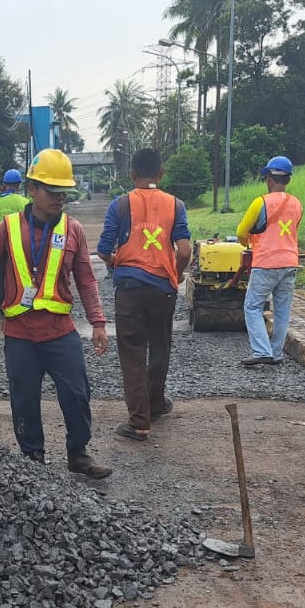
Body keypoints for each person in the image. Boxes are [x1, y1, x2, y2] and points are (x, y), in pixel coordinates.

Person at [0, 148, 112, 479]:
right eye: (52, 191)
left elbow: (86, 279)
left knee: (76, 394)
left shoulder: (73, 230)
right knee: (24, 399)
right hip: (20, 336)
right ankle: (33, 458)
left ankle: (78, 453)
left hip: (60, 333)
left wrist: (98, 322)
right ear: (32, 190)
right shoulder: (8, 229)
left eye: (63, 192)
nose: (59, 198)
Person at [96, 148, 192, 440]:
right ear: (161, 173)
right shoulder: (176, 204)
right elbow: (185, 250)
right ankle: (155, 404)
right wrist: (175, 273)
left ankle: (139, 421)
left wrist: (120, 263)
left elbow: (102, 249)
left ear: (132, 175)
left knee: (133, 352)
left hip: (130, 290)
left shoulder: (120, 205)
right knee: (160, 347)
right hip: (163, 288)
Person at [236, 155, 302, 366]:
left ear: (268, 179)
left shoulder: (260, 202)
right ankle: (276, 353)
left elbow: (241, 231)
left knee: (253, 306)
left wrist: (248, 241)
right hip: (290, 262)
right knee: (282, 310)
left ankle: (262, 350)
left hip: (266, 263)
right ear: (288, 180)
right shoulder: (296, 204)